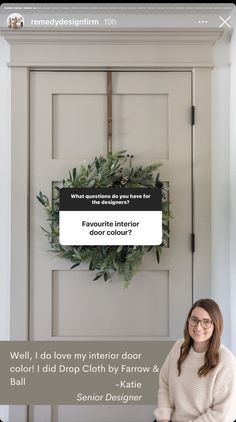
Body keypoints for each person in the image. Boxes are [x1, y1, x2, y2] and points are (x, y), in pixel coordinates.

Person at [153, 298, 236, 422]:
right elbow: (165, 385)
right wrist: (163, 418)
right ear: (188, 322)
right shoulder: (178, 348)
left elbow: (222, 413)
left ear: (216, 325)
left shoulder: (225, 360)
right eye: (194, 320)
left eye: (206, 322)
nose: (198, 327)